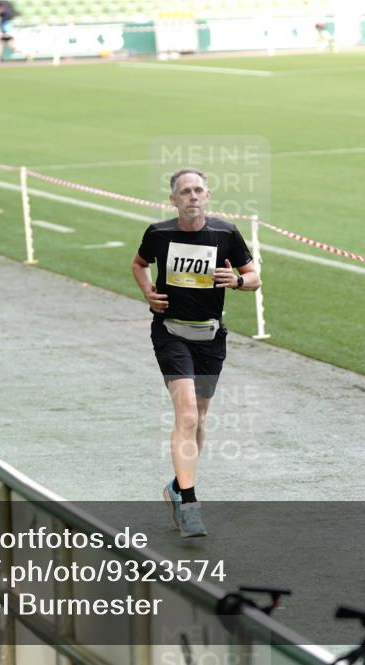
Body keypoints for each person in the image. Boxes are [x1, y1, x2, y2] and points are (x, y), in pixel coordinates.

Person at [131, 168, 261, 538]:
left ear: (208, 195)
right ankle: (189, 503)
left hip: (210, 336)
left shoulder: (225, 233)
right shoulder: (159, 234)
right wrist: (147, 293)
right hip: (171, 334)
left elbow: (253, 277)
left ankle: (175, 486)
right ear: (173, 199)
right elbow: (139, 264)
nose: (192, 196)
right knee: (186, 414)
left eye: (198, 190)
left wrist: (236, 281)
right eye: (184, 191)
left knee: (200, 419)